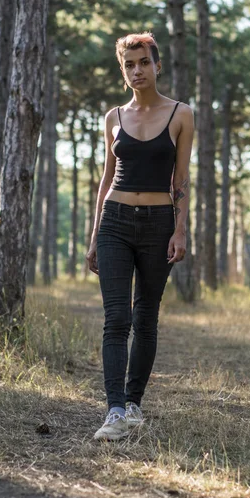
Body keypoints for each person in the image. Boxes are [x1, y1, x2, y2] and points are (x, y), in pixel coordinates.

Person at [86, 32, 194, 441]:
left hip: (158, 223)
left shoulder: (181, 114)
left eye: (143, 62)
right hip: (114, 219)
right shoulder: (113, 117)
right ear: (123, 70)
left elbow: (180, 177)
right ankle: (114, 410)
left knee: (145, 316)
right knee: (117, 318)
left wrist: (180, 229)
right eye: (129, 65)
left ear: (157, 65)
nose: (137, 71)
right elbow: (106, 177)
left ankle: (134, 403)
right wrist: (95, 233)